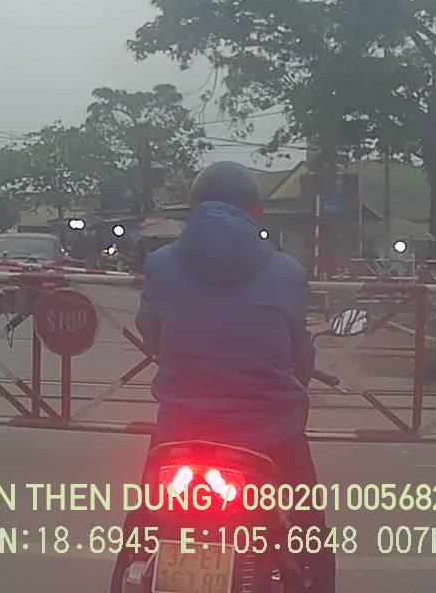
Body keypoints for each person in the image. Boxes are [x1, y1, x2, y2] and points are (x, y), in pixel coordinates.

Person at [109, 161, 333, 592]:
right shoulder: (288, 272)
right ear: (257, 212)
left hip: (179, 434)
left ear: (193, 206)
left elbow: (151, 334)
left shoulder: (161, 264)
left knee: (141, 528)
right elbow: (299, 355)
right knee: (309, 534)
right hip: (273, 438)